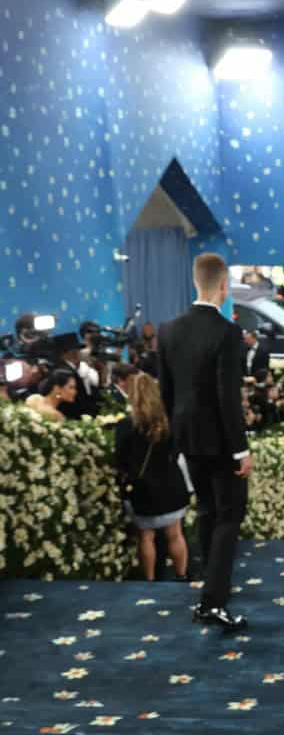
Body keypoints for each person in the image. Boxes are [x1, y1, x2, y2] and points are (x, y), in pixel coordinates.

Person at [158, 253, 252, 631]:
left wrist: (175, 440)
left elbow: (166, 393)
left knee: (208, 513)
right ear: (224, 286)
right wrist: (241, 449)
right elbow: (228, 398)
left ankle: (211, 590)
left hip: (187, 439)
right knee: (229, 516)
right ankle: (213, 601)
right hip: (222, 442)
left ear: (196, 282)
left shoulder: (168, 330)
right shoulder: (228, 333)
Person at [113, 372, 191, 582]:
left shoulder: (126, 425)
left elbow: (120, 459)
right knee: (175, 533)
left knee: (146, 536)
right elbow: (177, 450)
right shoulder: (169, 422)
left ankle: (149, 580)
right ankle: (181, 575)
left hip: (143, 488)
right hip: (172, 484)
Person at [50, 332, 99, 418]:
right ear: (70, 352)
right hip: (73, 416)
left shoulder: (72, 369)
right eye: (77, 350)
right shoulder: (64, 372)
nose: (79, 353)